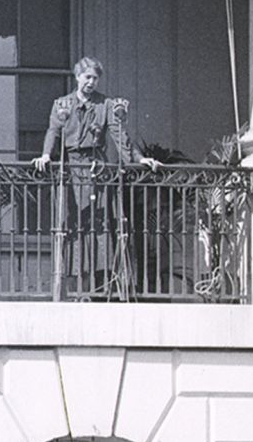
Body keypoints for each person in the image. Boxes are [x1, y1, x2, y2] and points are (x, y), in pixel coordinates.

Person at [32, 57, 159, 298]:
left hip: (96, 170)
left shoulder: (106, 104)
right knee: (72, 224)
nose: (91, 82)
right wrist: (46, 155)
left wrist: (138, 158)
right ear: (77, 77)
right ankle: (73, 289)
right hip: (71, 170)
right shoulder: (62, 104)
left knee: (99, 226)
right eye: (87, 77)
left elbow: (119, 135)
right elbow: (53, 132)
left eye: (95, 78)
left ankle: (97, 288)